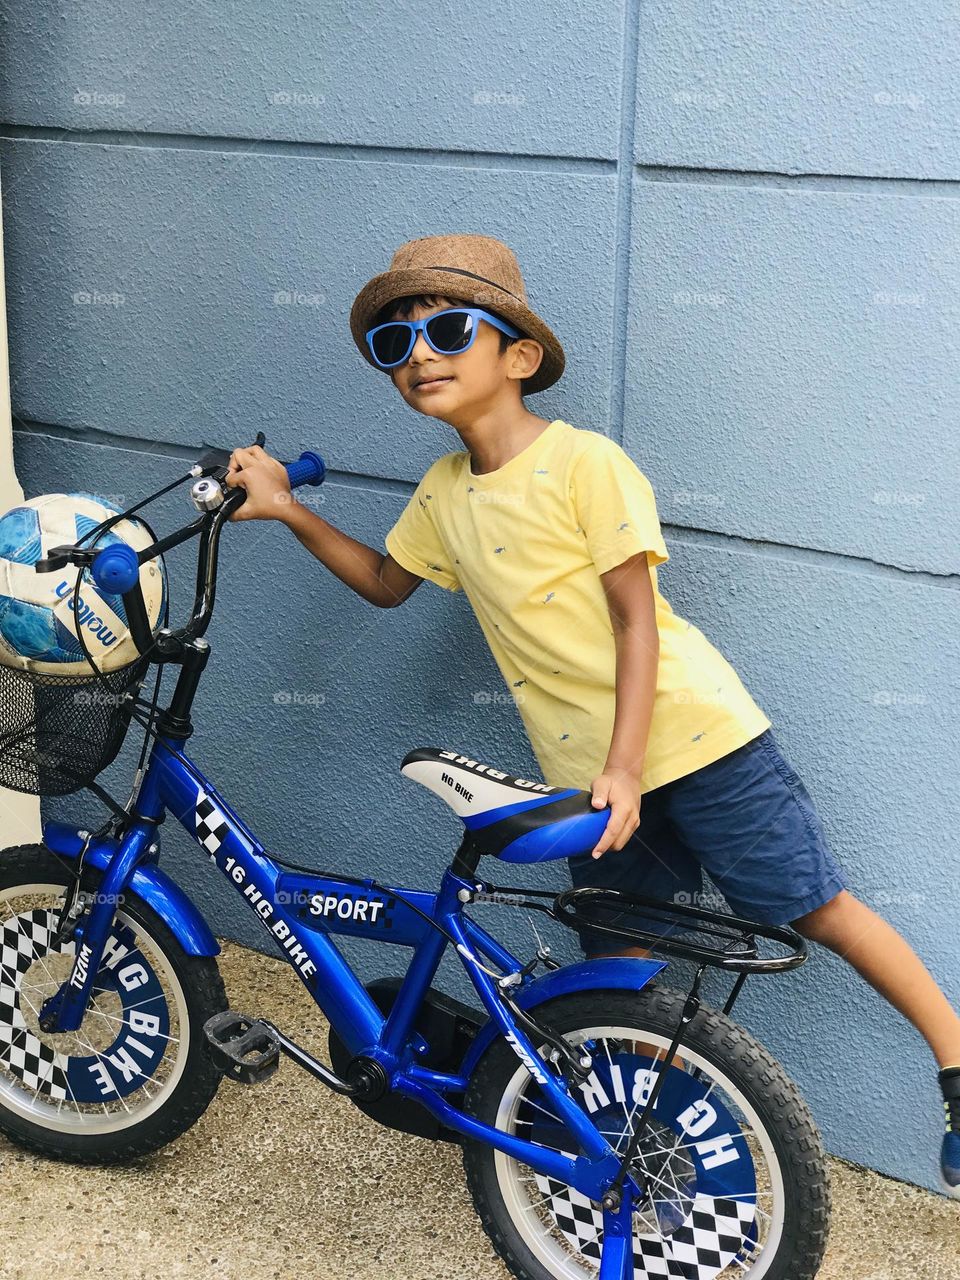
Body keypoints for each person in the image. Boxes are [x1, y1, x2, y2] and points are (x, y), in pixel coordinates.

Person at [223, 232, 960, 1197]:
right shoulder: (445, 493)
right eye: (395, 345)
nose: (421, 356)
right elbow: (385, 583)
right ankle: (644, 1154)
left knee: (812, 907)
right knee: (618, 967)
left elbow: (635, 622)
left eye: (448, 328)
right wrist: (285, 509)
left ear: (518, 356)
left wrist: (622, 764)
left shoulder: (585, 463)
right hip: (592, 778)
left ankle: (953, 1062)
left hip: (695, 741)